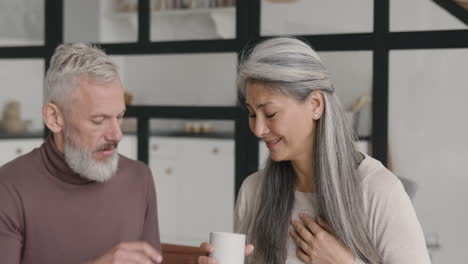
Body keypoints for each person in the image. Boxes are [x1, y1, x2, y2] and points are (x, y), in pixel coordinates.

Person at [198, 37, 431, 264]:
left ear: (315, 105)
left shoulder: (377, 189)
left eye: (270, 114)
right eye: (251, 114)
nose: (258, 129)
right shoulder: (254, 191)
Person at [0, 43, 163, 264]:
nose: (116, 135)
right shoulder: (7, 188)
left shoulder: (139, 178)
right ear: (54, 118)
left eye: (119, 116)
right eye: (99, 120)